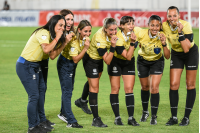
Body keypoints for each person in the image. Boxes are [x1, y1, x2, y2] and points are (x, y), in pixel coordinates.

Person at [16, 15, 68, 133]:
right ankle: (32, 127)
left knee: (41, 90)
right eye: (60, 25)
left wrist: (63, 42)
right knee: (34, 96)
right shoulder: (43, 32)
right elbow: (46, 49)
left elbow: (52, 55)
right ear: (53, 23)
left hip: (35, 65)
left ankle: (40, 122)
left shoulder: (51, 35)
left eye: (63, 26)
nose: (62, 28)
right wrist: (58, 38)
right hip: (26, 65)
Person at [163, 6, 198, 126]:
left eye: (174, 15)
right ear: (167, 17)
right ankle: (173, 117)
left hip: (190, 53)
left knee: (190, 84)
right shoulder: (164, 26)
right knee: (173, 85)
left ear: (179, 16)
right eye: (169, 16)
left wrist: (180, 32)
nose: (172, 18)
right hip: (176, 54)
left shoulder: (186, 25)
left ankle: (186, 118)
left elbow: (186, 49)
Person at [82, 18, 118, 127]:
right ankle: (96, 119)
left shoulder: (113, 33)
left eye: (115, 29)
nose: (113, 32)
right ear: (105, 29)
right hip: (90, 60)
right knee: (95, 88)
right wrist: (112, 46)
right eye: (111, 30)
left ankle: (82, 100)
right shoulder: (99, 38)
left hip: (99, 60)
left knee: (93, 82)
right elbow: (107, 61)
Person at [136, 15, 170, 125]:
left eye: (157, 25)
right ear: (148, 25)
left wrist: (164, 43)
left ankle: (154, 116)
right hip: (142, 61)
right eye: (152, 25)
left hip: (157, 61)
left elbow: (167, 56)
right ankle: (145, 112)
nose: (155, 28)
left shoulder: (163, 36)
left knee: (154, 88)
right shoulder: (141, 33)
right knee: (145, 87)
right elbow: (133, 42)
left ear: (160, 26)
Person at [107, 16, 139, 126]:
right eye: (128, 24)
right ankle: (117, 118)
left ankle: (131, 118)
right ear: (122, 26)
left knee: (129, 88)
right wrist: (132, 43)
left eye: (132, 23)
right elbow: (128, 56)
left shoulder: (137, 32)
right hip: (116, 61)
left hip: (128, 63)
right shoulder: (118, 38)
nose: (131, 26)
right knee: (115, 88)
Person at [56, 9, 75, 123]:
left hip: (71, 62)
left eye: (72, 19)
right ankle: (69, 117)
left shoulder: (70, 32)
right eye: (67, 19)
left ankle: (63, 113)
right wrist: (65, 42)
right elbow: (53, 52)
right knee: (67, 90)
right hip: (64, 62)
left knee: (69, 89)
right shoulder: (58, 32)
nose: (70, 22)